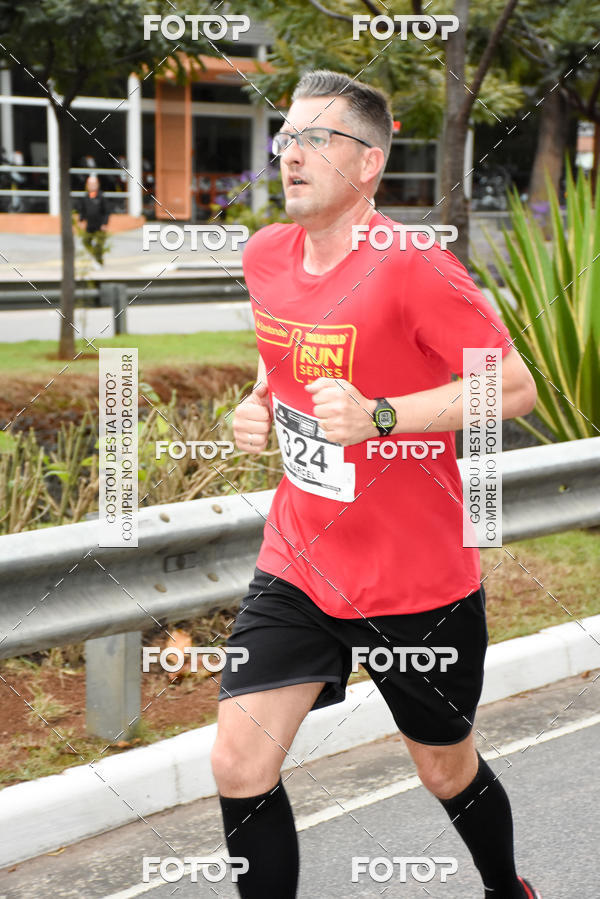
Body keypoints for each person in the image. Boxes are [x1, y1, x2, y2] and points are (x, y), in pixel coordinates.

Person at [212, 69, 542, 899]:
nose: (291, 154)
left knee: (443, 768)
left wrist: (383, 416)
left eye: (317, 139)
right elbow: (284, 355)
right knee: (239, 760)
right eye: (287, 136)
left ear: (368, 164)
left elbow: (512, 385)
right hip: (302, 558)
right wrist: (253, 405)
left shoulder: (414, 267)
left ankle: (510, 890)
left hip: (416, 579)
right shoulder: (264, 255)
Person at [77, 174, 110, 268]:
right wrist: (81, 220)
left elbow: (106, 212)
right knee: (86, 241)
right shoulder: (86, 197)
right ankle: (94, 257)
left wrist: (104, 223)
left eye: (94, 184)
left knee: (99, 245)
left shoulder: (101, 196)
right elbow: (82, 210)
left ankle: (99, 262)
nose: (92, 186)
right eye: (90, 184)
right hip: (90, 225)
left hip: (100, 225)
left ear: (97, 185)